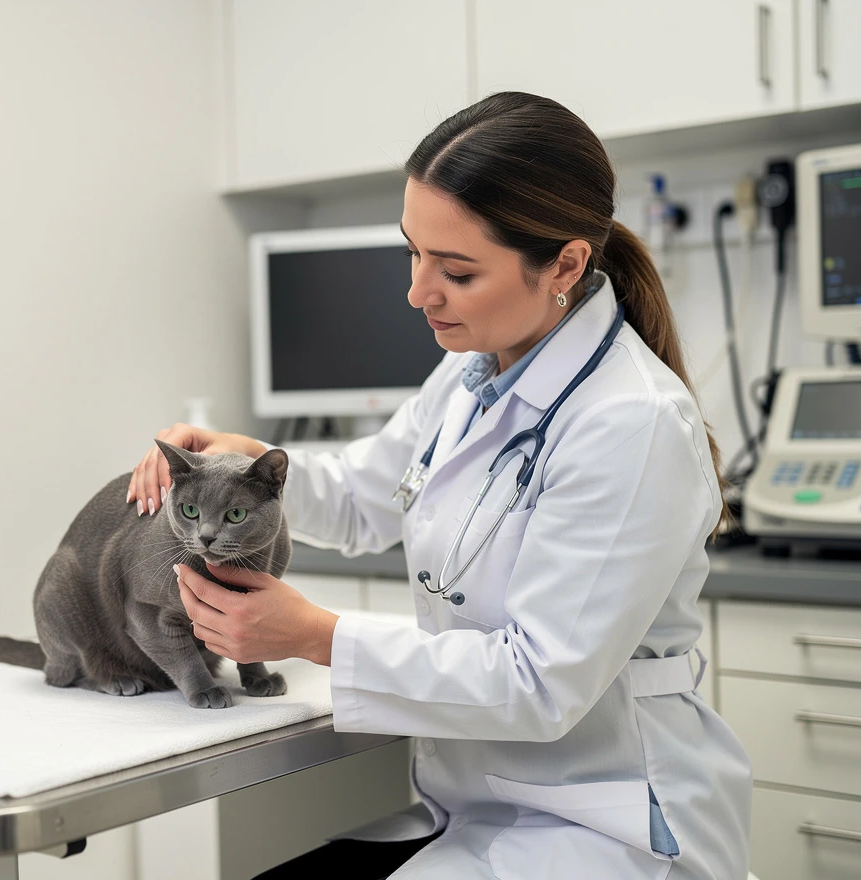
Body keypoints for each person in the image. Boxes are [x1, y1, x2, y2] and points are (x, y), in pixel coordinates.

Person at [127, 92, 751, 880]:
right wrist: (246, 463)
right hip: (477, 803)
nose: (419, 292)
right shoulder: (473, 368)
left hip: (603, 820)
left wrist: (315, 635)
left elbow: (538, 683)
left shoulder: (632, 422)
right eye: (412, 253)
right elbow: (363, 495)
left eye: (456, 270)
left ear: (564, 265)